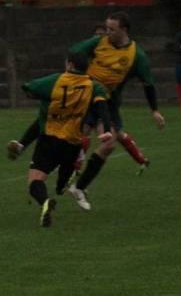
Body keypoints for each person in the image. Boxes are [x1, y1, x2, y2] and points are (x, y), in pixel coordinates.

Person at [7, 11, 165, 183]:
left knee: (105, 137)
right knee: (57, 116)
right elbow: (74, 52)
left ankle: (73, 175)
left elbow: (148, 84)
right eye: (106, 28)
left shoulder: (136, 55)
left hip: (106, 102)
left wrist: (154, 110)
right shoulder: (98, 42)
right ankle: (40, 154)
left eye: (112, 29)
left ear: (124, 30)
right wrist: (72, 75)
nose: (107, 32)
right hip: (83, 94)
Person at [21, 52, 112, 227]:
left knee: (35, 180)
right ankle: (66, 179)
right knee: (62, 184)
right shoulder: (93, 86)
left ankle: (45, 201)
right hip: (73, 142)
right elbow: (103, 108)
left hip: (49, 139)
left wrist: (41, 97)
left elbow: (28, 87)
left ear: (69, 65)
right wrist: (106, 130)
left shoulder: (56, 80)